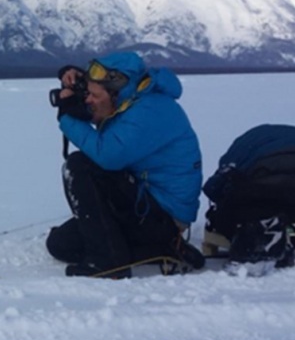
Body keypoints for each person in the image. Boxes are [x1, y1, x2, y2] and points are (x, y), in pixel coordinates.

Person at [47, 51, 204, 278]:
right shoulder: (130, 102)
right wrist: (74, 80)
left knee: (80, 165)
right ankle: (160, 248)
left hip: (164, 215)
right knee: (61, 244)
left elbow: (108, 155)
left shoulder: (152, 110)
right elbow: (109, 117)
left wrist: (66, 116)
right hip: (144, 204)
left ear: (116, 91)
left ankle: (107, 264)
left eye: (92, 95)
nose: (88, 100)